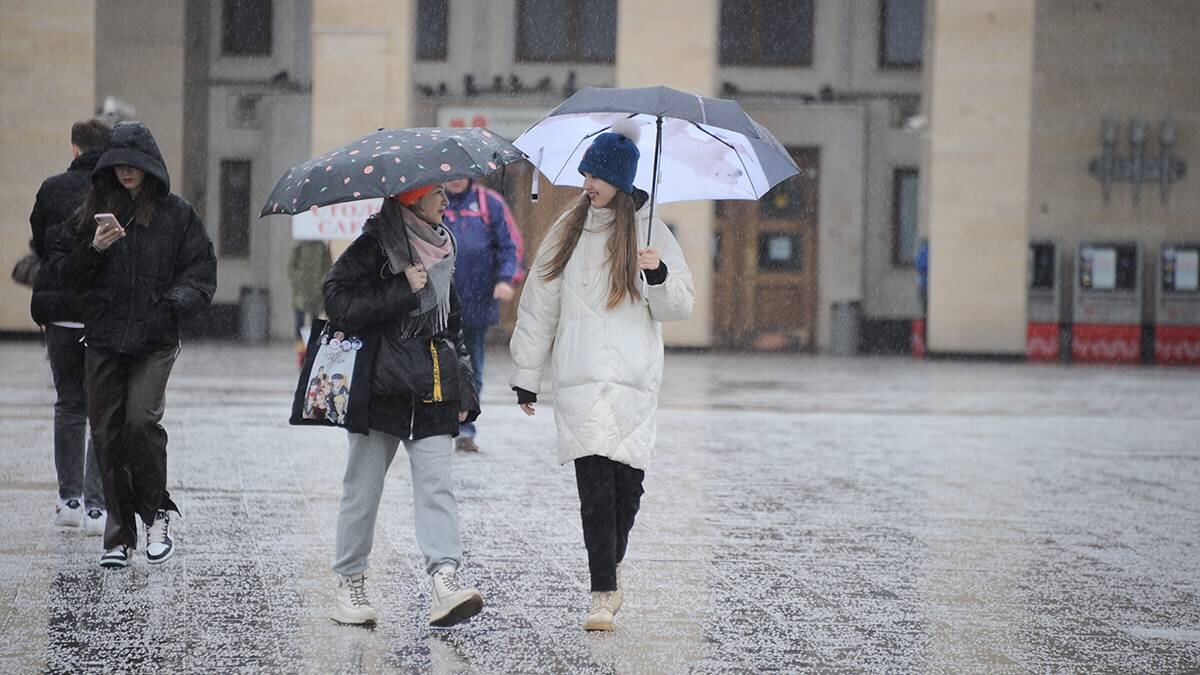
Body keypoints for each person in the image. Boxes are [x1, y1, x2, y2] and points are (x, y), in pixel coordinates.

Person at [508, 119, 696, 631]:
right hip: (580, 377)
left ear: (623, 182)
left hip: (635, 383)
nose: (588, 183)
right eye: (586, 173)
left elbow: (681, 306)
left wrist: (656, 274)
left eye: (598, 176)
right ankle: (601, 593)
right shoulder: (566, 230)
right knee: (595, 489)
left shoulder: (652, 230)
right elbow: (539, 303)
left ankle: (608, 569)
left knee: (626, 493)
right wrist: (528, 374)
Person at [50, 121, 217, 569]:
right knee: (106, 434)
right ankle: (118, 536)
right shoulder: (92, 213)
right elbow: (63, 274)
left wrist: (170, 304)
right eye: (118, 164)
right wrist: (96, 249)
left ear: (149, 166)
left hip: (154, 338)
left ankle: (157, 512)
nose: (126, 172)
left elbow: (201, 273)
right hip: (103, 336)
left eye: (134, 164)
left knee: (140, 422)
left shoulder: (176, 214)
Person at [323, 183, 483, 628]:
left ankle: (444, 579)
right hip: (380, 388)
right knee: (363, 490)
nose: (447, 201)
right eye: (437, 194)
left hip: (432, 387)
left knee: (437, 488)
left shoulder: (442, 248)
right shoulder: (372, 247)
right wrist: (399, 290)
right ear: (412, 200)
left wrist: (465, 389)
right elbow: (336, 302)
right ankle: (350, 581)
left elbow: (452, 325)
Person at [29, 119, 113, 535]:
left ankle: (70, 500)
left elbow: (40, 244)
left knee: (69, 403)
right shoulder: (117, 189)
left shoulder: (51, 188)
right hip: (100, 314)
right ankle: (98, 508)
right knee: (101, 408)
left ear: (74, 148)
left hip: (61, 310)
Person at [441, 178, 522, 452]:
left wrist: (505, 278)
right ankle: (438, 425)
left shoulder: (490, 203)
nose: (455, 179)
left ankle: (465, 428)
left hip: (476, 305)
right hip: (437, 305)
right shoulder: (432, 201)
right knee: (436, 365)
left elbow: (510, 246)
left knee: (471, 367)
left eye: (461, 173)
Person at [288, 240, 332, 366]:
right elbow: (291, 267)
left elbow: (327, 266)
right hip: (301, 293)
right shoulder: (300, 246)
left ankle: (312, 353)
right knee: (299, 324)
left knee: (315, 325)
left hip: (316, 293)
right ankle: (301, 354)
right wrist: (299, 279)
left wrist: (321, 281)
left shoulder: (321, 247)